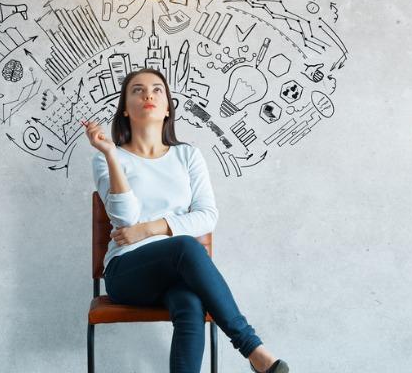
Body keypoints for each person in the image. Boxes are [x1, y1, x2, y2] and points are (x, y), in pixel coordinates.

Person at [83, 68, 289, 373]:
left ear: (168, 108)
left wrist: (150, 228)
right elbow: (124, 217)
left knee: (191, 304)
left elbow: (208, 216)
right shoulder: (107, 158)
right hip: (126, 272)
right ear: (125, 109)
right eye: (137, 90)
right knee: (185, 247)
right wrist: (112, 155)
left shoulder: (188, 156)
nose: (148, 95)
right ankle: (250, 346)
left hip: (177, 272)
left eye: (157, 90)